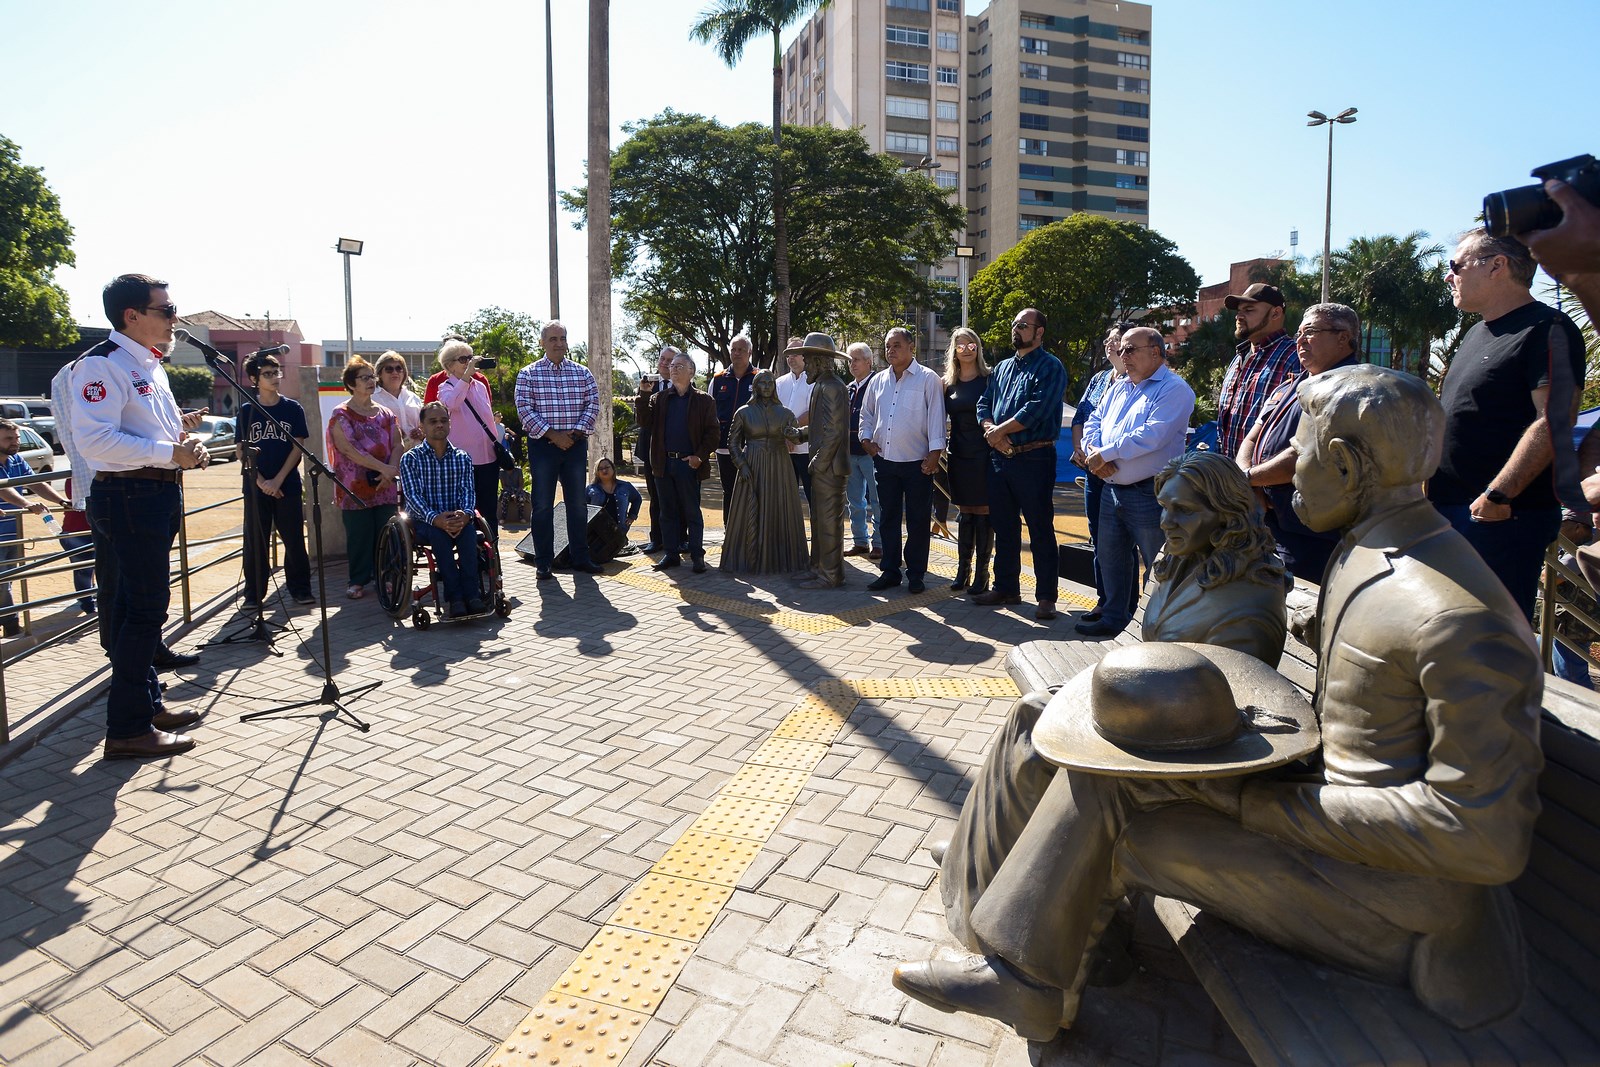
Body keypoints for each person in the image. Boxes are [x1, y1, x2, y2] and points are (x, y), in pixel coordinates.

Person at [895, 365, 1545, 1040]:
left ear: (1349, 467)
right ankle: (1026, 946)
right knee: (1085, 743)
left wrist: (1250, 802)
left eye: (1301, 451)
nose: (1283, 471)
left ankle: (1031, 978)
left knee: (1117, 796)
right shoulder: (1379, 547)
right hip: (1334, 827)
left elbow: (1482, 839)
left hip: (1393, 902)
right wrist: (1307, 622)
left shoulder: (1454, 616)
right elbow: (1377, 674)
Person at [69, 273, 210, 759]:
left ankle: (147, 705)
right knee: (145, 609)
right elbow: (94, 442)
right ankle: (127, 728)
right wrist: (170, 454)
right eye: (166, 311)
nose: (175, 320)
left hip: (152, 496)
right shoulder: (101, 366)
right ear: (133, 315)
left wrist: (186, 448)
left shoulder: (150, 366)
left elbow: (162, 435)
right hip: (128, 497)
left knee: (137, 608)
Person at [1426, 228, 1587, 622]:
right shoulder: (1474, 334)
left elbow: (1553, 418)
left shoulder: (1548, 328)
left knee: (1487, 645)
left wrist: (1499, 495)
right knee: (1446, 637)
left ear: (1497, 265)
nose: (1449, 276)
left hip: (1500, 517)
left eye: (1455, 266)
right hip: (1449, 511)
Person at [1076, 327, 1195, 638]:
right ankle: (1115, 619)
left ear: (1155, 352)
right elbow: (1093, 421)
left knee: (1157, 564)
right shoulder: (1119, 387)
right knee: (1110, 556)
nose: (1122, 355)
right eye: (1122, 350)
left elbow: (1153, 435)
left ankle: (1155, 627)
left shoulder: (1174, 389)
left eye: (1130, 349)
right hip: (1111, 488)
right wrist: (1094, 452)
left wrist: (1105, 453)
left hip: (1151, 491)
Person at [1235, 302, 1362, 584]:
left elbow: (1307, 454)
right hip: (1270, 522)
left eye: (1311, 332)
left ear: (1343, 337)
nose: (1300, 341)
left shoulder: (1350, 388)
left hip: (1315, 533)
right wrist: (1248, 481)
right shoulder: (1291, 385)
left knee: (1303, 612)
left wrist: (1248, 479)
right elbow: (1253, 435)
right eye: (1299, 333)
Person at [975, 309, 1066, 621]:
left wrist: (999, 432)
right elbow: (984, 404)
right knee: (1004, 526)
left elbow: (1037, 409)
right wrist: (991, 430)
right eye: (1014, 324)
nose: (1016, 329)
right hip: (1000, 458)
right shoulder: (1001, 368)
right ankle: (1006, 588)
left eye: (1023, 325)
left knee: (1040, 528)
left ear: (1039, 332)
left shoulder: (1050, 366)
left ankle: (1046, 598)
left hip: (1035, 458)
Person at [857, 327, 945, 595]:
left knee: (918, 520)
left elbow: (936, 418)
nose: (891, 350)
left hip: (918, 462)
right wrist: (866, 440)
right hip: (885, 460)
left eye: (896, 345)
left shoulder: (928, 379)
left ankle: (916, 574)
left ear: (911, 348)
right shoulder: (878, 380)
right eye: (887, 346)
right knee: (888, 518)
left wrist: (934, 454)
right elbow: (867, 414)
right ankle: (890, 571)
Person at [515, 321, 602, 580]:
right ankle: (544, 562)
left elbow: (593, 404)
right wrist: (553, 435)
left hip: (575, 445)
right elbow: (524, 409)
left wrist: (573, 435)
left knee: (578, 505)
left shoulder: (582, 373)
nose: (558, 343)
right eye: (553, 339)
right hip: (543, 446)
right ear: (542, 342)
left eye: (562, 338)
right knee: (542, 506)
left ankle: (580, 558)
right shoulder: (528, 374)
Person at [236, 352, 314, 608]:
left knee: (293, 539)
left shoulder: (292, 408)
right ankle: (253, 594)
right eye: (268, 374)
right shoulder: (247, 410)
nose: (275, 377)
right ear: (254, 379)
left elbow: (297, 447)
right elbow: (241, 451)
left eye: (277, 371)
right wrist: (261, 482)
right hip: (256, 486)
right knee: (255, 540)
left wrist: (277, 481)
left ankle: (300, 590)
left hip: (287, 485)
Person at [400, 402, 484, 618]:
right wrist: (435, 519)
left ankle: (472, 595)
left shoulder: (462, 457)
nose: (439, 425)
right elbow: (413, 496)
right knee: (439, 535)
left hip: (457, 519)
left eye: (443, 420)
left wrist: (465, 514)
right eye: (433, 421)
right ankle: (455, 597)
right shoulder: (410, 459)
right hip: (424, 522)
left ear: (449, 423)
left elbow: (468, 491)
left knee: (468, 536)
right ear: (422, 426)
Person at [327, 356, 401, 600]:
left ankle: (387, 577)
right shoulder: (341, 414)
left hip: (385, 485)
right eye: (364, 377)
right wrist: (385, 469)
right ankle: (358, 580)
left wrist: (388, 471)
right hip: (354, 487)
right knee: (359, 535)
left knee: (387, 533)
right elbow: (349, 449)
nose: (371, 381)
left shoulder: (386, 413)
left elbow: (398, 444)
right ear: (351, 383)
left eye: (372, 376)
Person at [722, 370, 808, 574]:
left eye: (771, 382)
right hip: (753, 463)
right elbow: (733, 442)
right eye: (763, 382)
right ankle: (748, 560)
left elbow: (795, 438)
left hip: (780, 466)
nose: (767, 386)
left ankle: (783, 560)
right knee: (752, 509)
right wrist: (741, 464)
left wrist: (803, 433)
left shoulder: (785, 413)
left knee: (781, 507)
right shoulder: (744, 412)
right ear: (756, 386)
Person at [1070, 326, 1128, 622]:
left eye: (1116, 339)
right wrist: (1082, 449)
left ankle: (1128, 607)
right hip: (1094, 472)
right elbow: (1082, 417)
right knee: (1099, 539)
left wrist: (1104, 458)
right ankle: (1105, 602)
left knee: (1124, 543)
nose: (1109, 344)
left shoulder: (1138, 380)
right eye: (1107, 339)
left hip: (1123, 473)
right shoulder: (1099, 380)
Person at [644, 353, 719, 574]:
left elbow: (713, 434)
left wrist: (699, 456)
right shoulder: (660, 398)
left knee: (691, 511)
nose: (673, 369)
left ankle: (697, 555)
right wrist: (643, 394)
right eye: (672, 365)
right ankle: (671, 553)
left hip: (688, 465)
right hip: (663, 464)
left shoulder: (704, 400)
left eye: (679, 366)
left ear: (691, 371)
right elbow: (644, 421)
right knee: (666, 512)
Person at [0, 419, 71, 635]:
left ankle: (10, 621)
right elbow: (3, 489)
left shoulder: (16, 461)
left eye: (17, 438)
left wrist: (61, 502)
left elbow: (36, 482)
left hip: (13, 531)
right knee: (3, 581)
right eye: (8, 439)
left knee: (9, 578)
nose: (15, 442)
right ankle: (11, 623)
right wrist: (26, 504)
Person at [1215, 282, 1301, 461]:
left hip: (1265, 481)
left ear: (1276, 313)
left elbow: (1299, 432)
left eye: (1249, 310)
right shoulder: (1240, 357)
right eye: (1239, 310)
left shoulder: (1295, 358)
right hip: (1229, 476)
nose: (1239, 316)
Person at [795, 336, 853, 589]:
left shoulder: (832, 387)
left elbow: (834, 431)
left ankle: (830, 574)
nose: (805, 364)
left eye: (807, 359)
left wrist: (818, 462)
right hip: (823, 465)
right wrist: (801, 434)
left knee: (829, 523)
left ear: (819, 360)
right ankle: (818, 567)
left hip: (830, 466)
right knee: (819, 520)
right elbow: (822, 426)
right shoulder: (822, 385)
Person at [435, 336, 504, 546]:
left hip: (489, 458)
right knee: (467, 511)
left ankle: (492, 557)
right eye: (463, 359)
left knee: (489, 511)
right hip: (464, 463)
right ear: (449, 365)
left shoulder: (480, 386)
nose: (469, 362)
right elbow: (452, 404)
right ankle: (471, 556)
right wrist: (466, 376)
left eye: (470, 358)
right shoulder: (445, 388)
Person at [943, 327, 994, 596]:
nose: (965, 349)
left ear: (978, 348)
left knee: (984, 512)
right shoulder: (947, 383)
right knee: (964, 512)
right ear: (953, 350)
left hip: (985, 454)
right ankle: (963, 570)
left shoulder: (989, 378)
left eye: (970, 344)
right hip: (958, 454)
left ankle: (983, 573)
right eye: (960, 345)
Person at [635, 348, 677, 551]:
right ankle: (656, 538)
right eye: (662, 359)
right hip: (652, 451)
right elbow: (641, 420)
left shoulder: (685, 384)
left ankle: (679, 538)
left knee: (677, 497)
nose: (664, 363)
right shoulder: (648, 385)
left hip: (676, 450)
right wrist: (643, 393)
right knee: (655, 497)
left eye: (669, 360)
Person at [843, 343, 883, 561]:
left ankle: (879, 543)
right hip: (850, 451)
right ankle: (860, 542)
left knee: (877, 501)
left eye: (856, 359)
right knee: (854, 501)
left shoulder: (878, 385)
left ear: (869, 361)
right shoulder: (849, 388)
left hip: (871, 453)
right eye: (850, 360)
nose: (852, 364)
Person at [712, 334, 758, 504]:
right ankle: (728, 529)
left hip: (752, 447)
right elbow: (710, 413)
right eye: (734, 350)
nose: (737, 353)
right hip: (724, 446)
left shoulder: (760, 377)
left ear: (750, 352)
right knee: (729, 491)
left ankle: (751, 530)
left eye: (741, 350)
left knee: (752, 489)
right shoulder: (718, 380)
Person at [775, 339, 814, 501]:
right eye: (788, 354)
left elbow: (814, 412)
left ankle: (816, 527)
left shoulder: (815, 381)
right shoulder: (778, 383)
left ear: (805, 356)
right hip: (783, 450)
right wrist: (785, 435)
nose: (791, 357)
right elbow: (772, 412)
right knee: (784, 500)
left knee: (814, 498)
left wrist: (791, 432)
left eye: (795, 354)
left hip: (808, 451)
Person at [372, 350, 424, 447]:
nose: (395, 372)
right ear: (379, 373)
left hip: (415, 454)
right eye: (389, 369)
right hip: (387, 455)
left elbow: (424, 425)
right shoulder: (372, 398)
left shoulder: (413, 397)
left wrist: (421, 433)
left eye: (399, 369)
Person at [586, 456, 642, 539]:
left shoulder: (625, 486)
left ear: (613, 468)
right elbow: (583, 508)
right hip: (596, 533)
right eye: (600, 469)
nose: (604, 470)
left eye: (607, 467)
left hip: (619, 532)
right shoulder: (590, 489)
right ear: (597, 472)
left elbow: (637, 498)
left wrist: (631, 517)